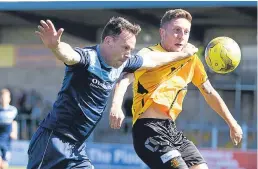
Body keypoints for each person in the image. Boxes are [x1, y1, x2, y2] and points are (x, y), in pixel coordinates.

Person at [27, 16, 198, 169]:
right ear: (108, 41)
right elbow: (69, 55)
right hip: (52, 142)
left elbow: (153, 60)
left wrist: (182, 54)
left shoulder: (123, 62)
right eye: (125, 47)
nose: (128, 54)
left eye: (131, 49)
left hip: (77, 147)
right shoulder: (88, 58)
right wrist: (55, 46)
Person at [109, 9, 243, 169]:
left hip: (171, 130)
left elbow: (209, 92)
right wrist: (116, 106)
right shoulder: (150, 55)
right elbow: (124, 79)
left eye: (186, 32)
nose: (182, 36)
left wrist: (232, 123)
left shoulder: (191, 59)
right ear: (162, 32)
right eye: (177, 30)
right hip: (147, 130)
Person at [0, 88, 18, 169]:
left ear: (9, 99)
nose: (3, 99)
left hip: (7, 141)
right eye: (2, 97)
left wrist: (14, 132)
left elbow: (14, 122)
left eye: (5, 97)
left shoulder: (13, 110)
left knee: (4, 165)